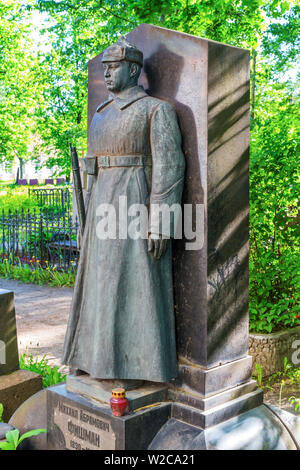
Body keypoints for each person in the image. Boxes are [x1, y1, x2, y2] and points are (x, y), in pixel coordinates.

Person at [62, 38, 185, 384]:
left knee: (132, 285)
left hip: (133, 205)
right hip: (101, 203)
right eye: (105, 68)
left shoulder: (154, 110)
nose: (107, 73)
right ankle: (97, 358)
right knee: (100, 285)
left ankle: (136, 364)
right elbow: (90, 169)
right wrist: (80, 208)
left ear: (133, 69)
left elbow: (170, 168)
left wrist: (161, 221)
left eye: (113, 67)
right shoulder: (100, 117)